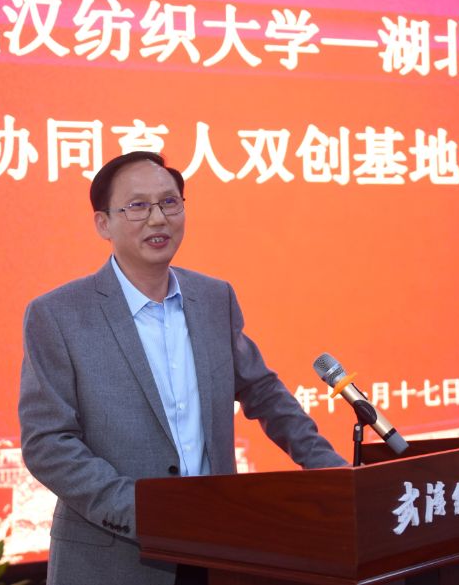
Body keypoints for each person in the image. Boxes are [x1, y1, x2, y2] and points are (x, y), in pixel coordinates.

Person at [18, 151, 346, 585]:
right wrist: (146, 512)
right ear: (103, 224)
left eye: (169, 202)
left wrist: (331, 472)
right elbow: (48, 443)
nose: (158, 219)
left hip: (217, 548)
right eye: (138, 206)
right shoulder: (58, 315)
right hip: (114, 559)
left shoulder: (213, 298)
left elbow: (263, 392)